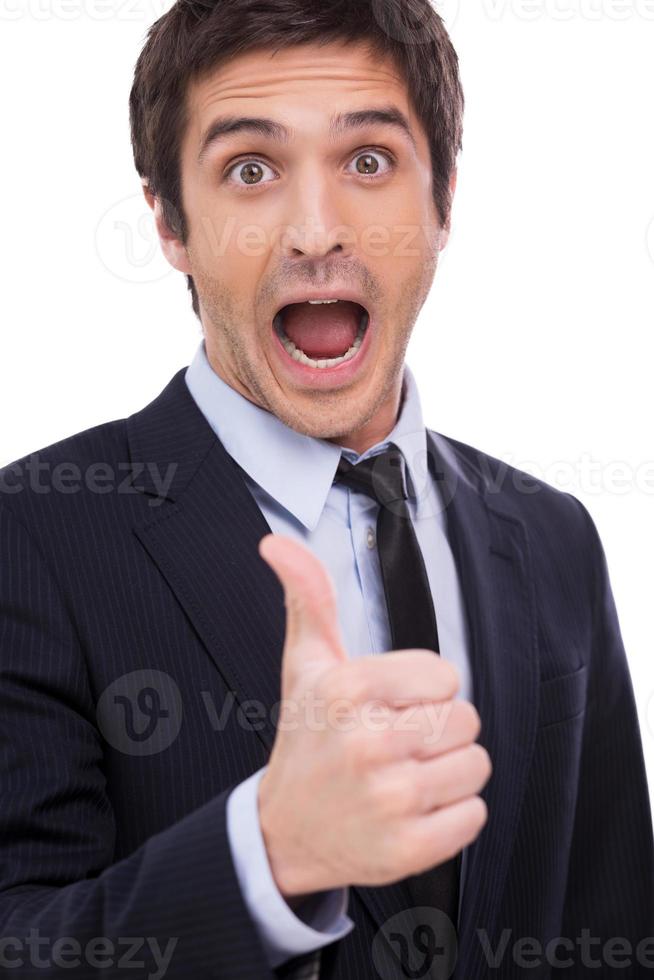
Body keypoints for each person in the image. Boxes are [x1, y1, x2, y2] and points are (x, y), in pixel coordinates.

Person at [0, 1, 652, 977]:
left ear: (443, 205)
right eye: (251, 169)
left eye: (370, 161)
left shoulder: (555, 537)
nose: (316, 230)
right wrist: (268, 854)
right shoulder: (33, 535)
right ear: (170, 225)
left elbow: (612, 929)